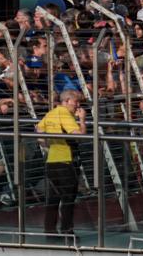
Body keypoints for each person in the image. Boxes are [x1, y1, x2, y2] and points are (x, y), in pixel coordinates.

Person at [36, 89, 87, 236]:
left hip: (52, 161)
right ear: (66, 101)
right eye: (76, 102)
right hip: (66, 161)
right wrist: (82, 120)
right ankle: (67, 229)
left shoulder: (51, 113)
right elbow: (79, 136)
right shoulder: (65, 114)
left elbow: (38, 131)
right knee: (68, 198)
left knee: (53, 198)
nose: (78, 106)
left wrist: (47, 146)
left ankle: (49, 229)